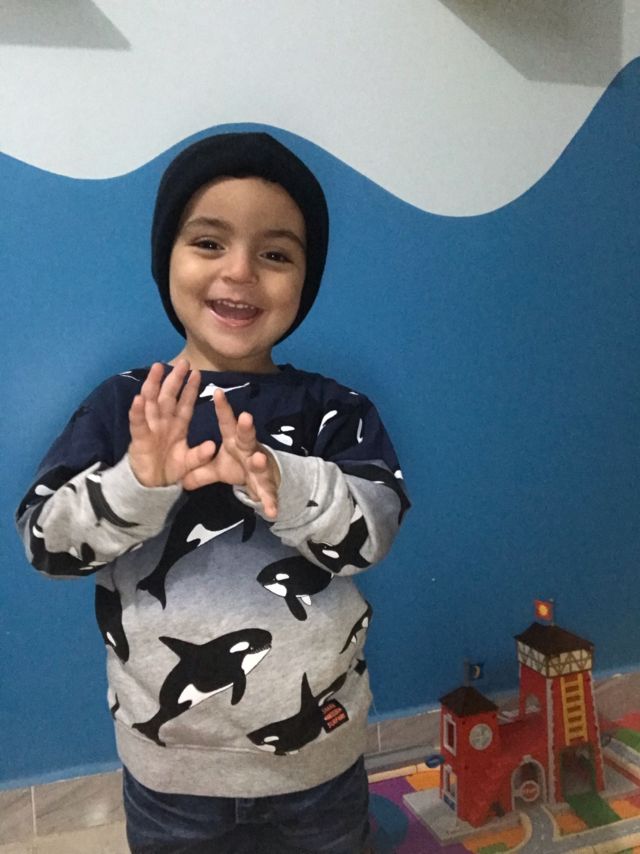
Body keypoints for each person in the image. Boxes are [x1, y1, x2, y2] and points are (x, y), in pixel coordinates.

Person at [16, 132, 410, 854]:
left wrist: (286, 482)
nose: (240, 271)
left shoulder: (335, 412)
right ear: (166, 257)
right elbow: (47, 545)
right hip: (170, 774)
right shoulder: (126, 406)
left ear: (305, 279)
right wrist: (139, 484)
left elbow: (370, 536)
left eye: (276, 254)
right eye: (208, 242)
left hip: (319, 764)